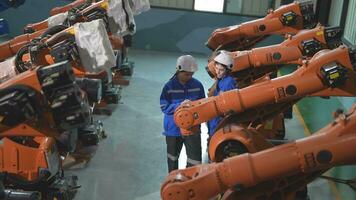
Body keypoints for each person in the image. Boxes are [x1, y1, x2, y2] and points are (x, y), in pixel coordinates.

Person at [160, 55, 205, 173]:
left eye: (192, 74)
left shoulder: (197, 85)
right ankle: (174, 182)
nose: (190, 77)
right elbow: (164, 107)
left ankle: (191, 181)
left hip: (192, 129)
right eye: (187, 74)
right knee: (172, 158)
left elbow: (203, 105)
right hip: (173, 130)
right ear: (179, 71)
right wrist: (180, 106)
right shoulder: (169, 87)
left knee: (194, 160)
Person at [207, 50, 238, 139]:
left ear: (228, 70)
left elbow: (230, 108)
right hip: (214, 122)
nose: (218, 72)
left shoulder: (229, 82)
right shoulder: (220, 80)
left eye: (221, 70)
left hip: (220, 123)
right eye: (216, 68)